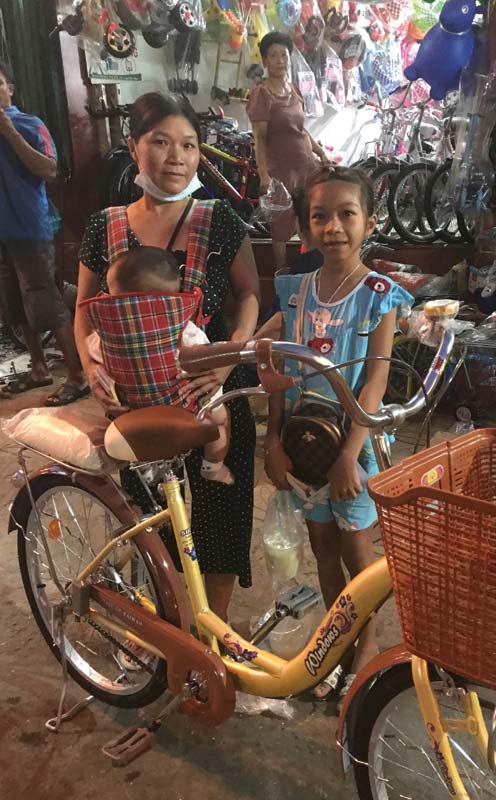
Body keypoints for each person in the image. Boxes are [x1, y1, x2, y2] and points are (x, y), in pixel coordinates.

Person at [74, 92, 260, 620]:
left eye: (189, 145)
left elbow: (249, 295)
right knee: (149, 520)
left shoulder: (220, 219)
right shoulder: (104, 226)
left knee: (220, 515)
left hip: (211, 390)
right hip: (136, 403)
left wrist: (229, 357)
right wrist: (92, 371)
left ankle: (215, 634)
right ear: (133, 147)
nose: (176, 157)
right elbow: (85, 310)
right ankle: (165, 625)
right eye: (160, 142)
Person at [264, 166, 413, 707]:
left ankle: (366, 655)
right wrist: (271, 441)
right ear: (305, 228)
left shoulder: (380, 297)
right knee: (321, 547)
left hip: (354, 450)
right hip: (304, 443)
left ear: (369, 222)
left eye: (346, 214)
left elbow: (374, 382)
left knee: (358, 556)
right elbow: (274, 365)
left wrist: (349, 457)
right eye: (320, 216)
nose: (333, 227)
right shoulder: (296, 291)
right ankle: (337, 645)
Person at [84, 246, 233, 485]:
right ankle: (213, 465)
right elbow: (207, 363)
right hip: (183, 407)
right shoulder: (185, 330)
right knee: (221, 419)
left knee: (138, 437)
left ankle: (147, 469)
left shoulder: (103, 336)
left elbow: (96, 362)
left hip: (132, 413)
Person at [0, 60, 87, 405]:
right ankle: (39, 369)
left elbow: (48, 168)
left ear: (10, 88)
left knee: (45, 301)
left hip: (28, 227)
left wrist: (7, 130)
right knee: (13, 305)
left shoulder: (30, 124)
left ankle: (77, 376)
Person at [247, 32, 331, 273]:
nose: (279, 60)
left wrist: (321, 153)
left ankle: (313, 269)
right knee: (281, 227)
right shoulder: (261, 94)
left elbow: (303, 130)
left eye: (283, 55)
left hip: (306, 164)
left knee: (311, 216)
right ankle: (281, 274)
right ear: (264, 61)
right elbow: (260, 139)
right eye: (273, 55)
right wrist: (264, 176)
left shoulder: (294, 90)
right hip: (281, 170)